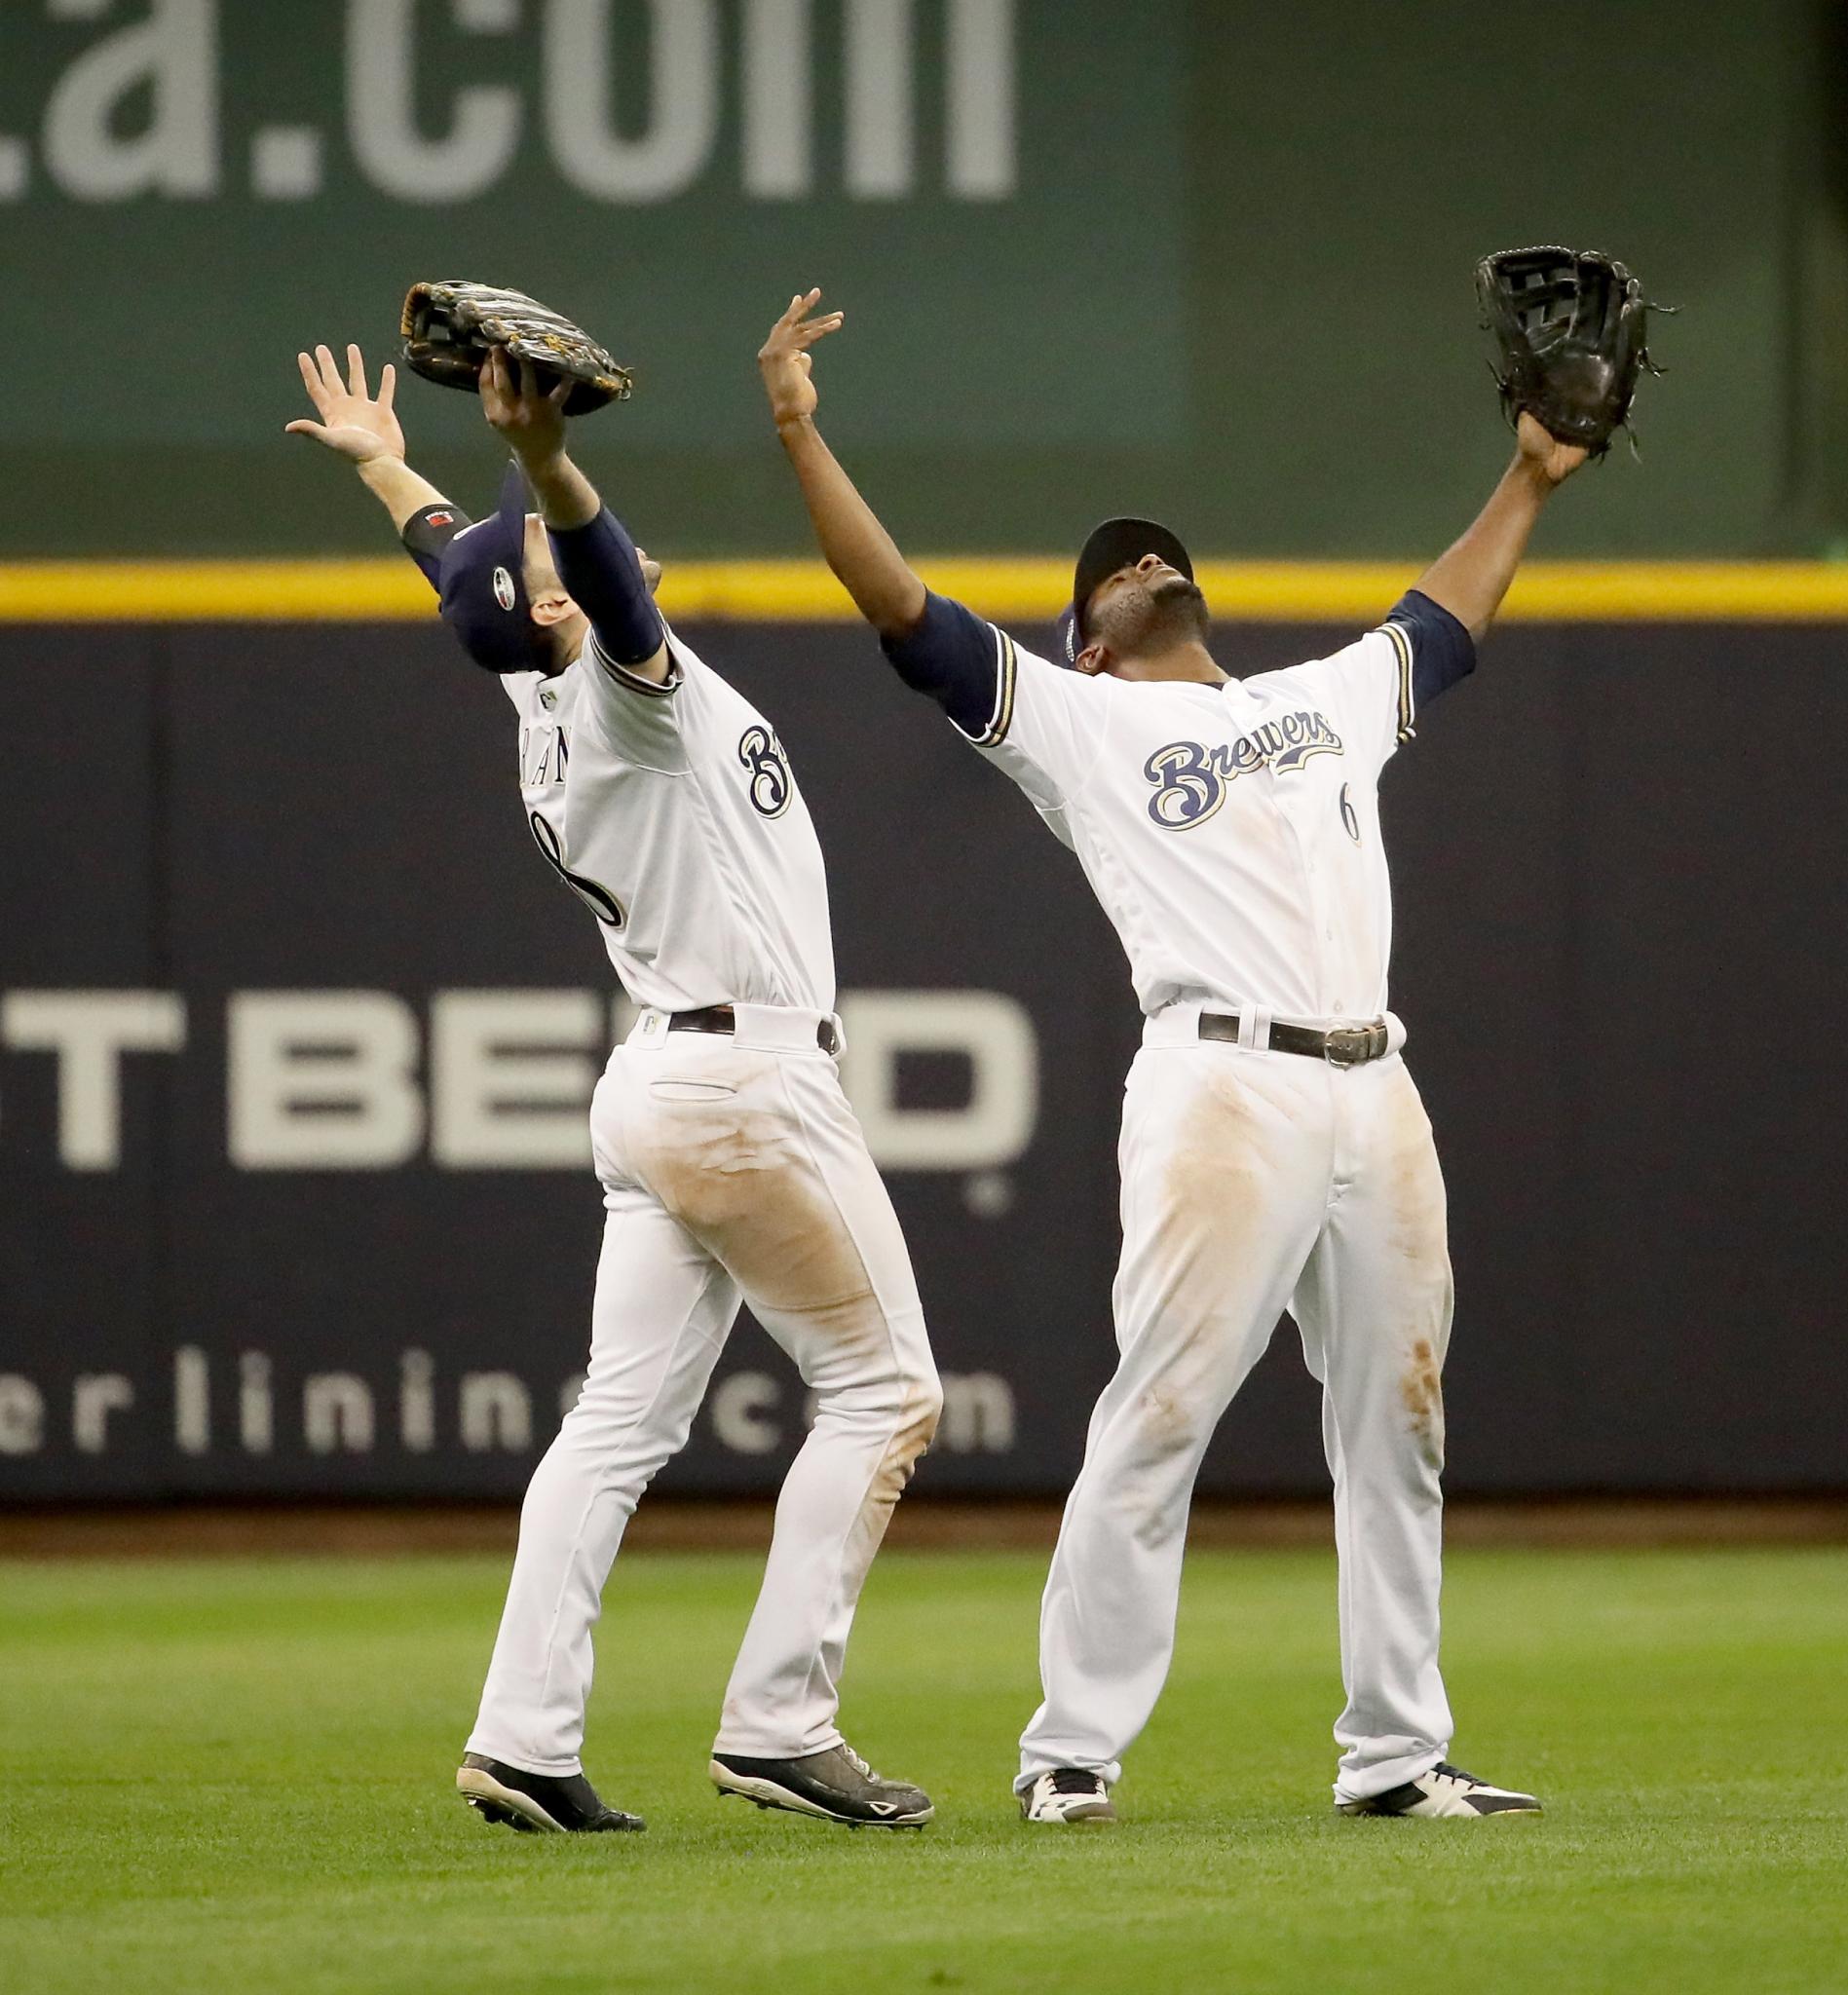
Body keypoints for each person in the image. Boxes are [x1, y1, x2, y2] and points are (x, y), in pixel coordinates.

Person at [755, 286, 1584, 1824]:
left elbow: (1448, 618)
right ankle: (1071, 1749)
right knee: (1164, 1410)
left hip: (1375, 1087)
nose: (1141, 560)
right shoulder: (1074, 723)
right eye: (1109, 566)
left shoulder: (1322, 699)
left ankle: (1397, 1755)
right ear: (1087, 632)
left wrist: (1530, 476)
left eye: (1153, 548)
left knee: (1402, 1421)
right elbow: (903, 615)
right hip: (1224, 1083)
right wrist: (805, 436)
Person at [283, 339, 943, 1833]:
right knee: (888, 1391)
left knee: (615, 1428)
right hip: (742, 1080)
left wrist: (390, 464)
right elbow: (589, 567)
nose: (552, 542)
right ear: (560, 600)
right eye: (544, 551)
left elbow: (468, 568)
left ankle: (522, 1737)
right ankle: (781, 1723)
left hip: (656, 1084)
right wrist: (538, 459)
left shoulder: (536, 696)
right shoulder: (623, 693)